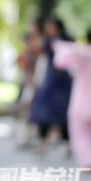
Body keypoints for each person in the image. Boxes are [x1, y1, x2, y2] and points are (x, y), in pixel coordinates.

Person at [53, 28, 91, 171]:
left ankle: (90, 162)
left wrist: (60, 45)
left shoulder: (84, 55)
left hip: (82, 103)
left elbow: (60, 62)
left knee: (80, 134)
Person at [30, 17, 73, 156]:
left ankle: (68, 144)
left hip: (64, 81)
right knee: (44, 112)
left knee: (64, 114)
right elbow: (37, 51)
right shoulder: (47, 42)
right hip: (50, 80)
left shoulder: (67, 40)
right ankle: (43, 144)